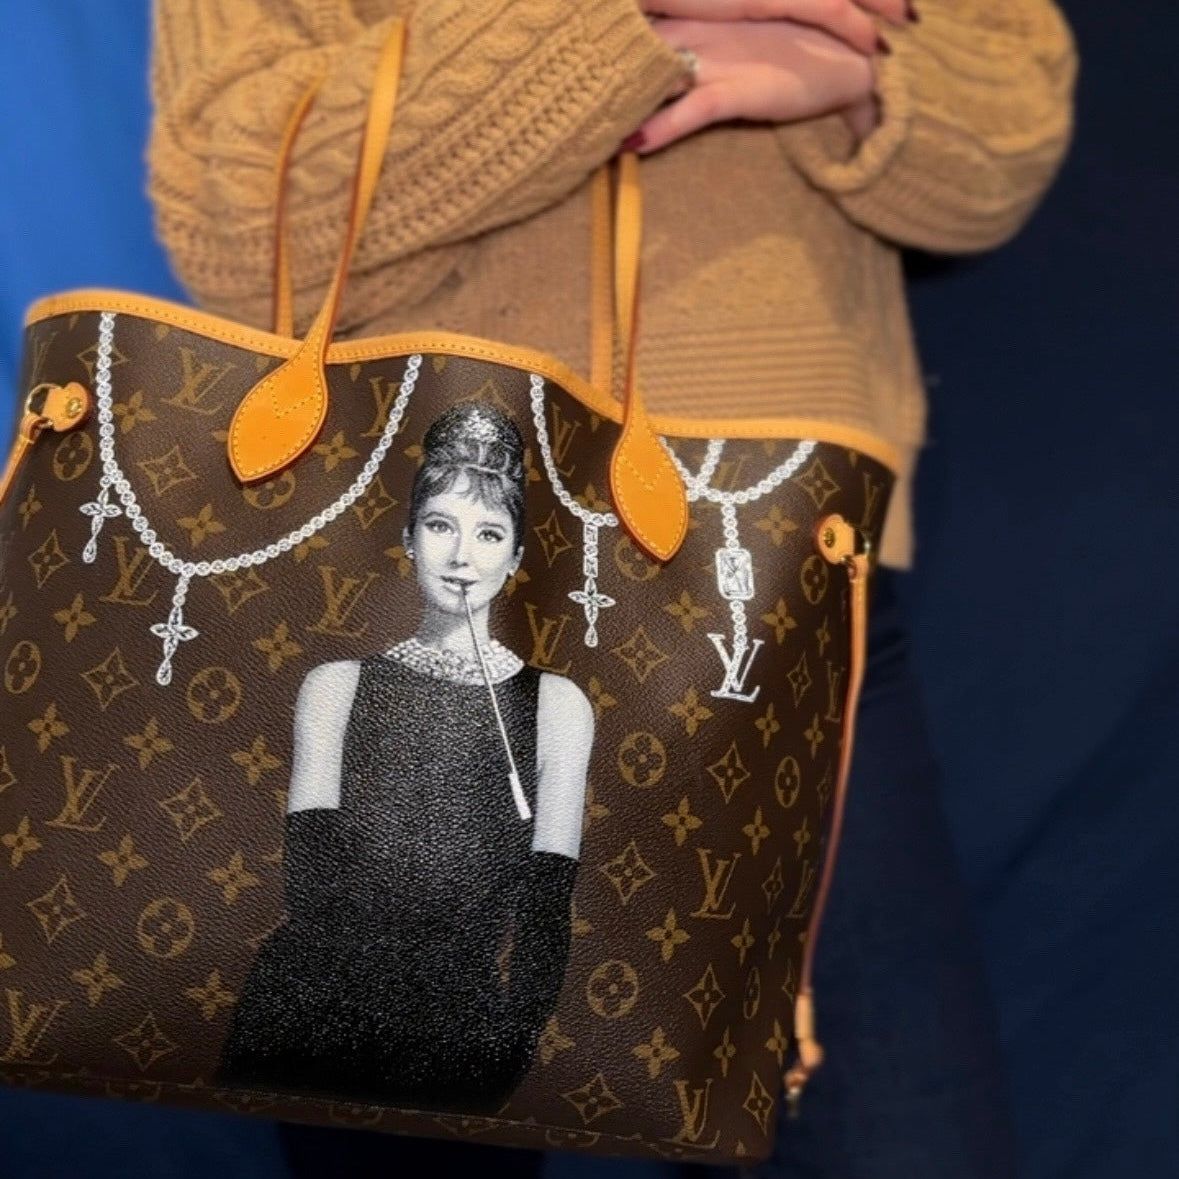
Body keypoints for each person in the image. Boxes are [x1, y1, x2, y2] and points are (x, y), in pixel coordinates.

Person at [148, 1, 1076, 1175]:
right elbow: (237, 216)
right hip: (389, 587)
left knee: (900, 1135)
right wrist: (630, 29)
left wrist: (862, 83)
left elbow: (1005, 136)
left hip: (774, 575)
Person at [219, 402, 594, 1113]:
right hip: (302, 1018)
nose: (461, 557)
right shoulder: (335, 687)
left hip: (463, 1040)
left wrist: (511, 1038)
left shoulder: (557, 707)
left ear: (516, 558)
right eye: (441, 526)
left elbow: (547, 908)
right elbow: (312, 888)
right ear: (409, 539)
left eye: (488, 533)